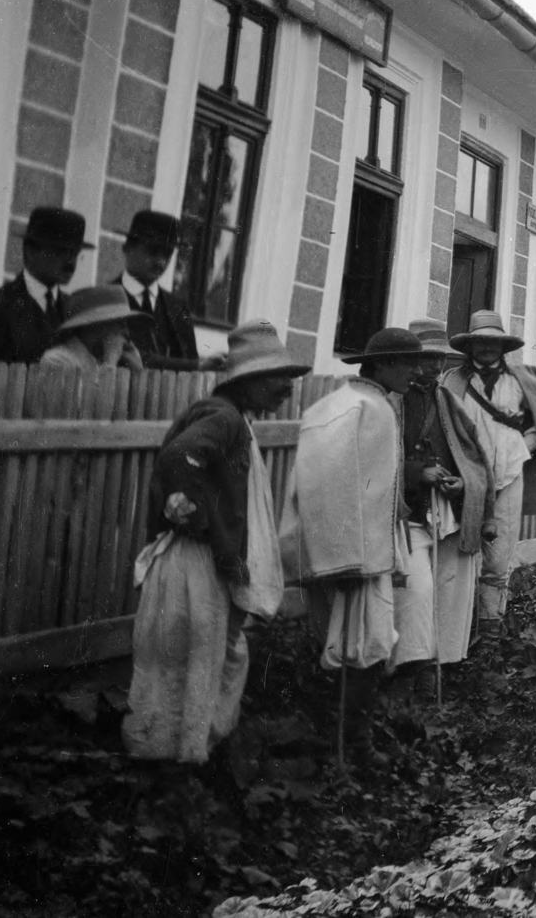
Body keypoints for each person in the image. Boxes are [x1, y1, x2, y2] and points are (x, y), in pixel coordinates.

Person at [122, 320, 309, 763]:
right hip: (194, 560)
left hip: (208, 560)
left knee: (211, 660)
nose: (286, 388)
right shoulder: (222, 417)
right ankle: (172, 765)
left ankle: (190, 756)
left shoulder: (234, 419)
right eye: (276, 378)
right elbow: (178, 459)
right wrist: (201, 523)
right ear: (248, 380)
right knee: (193, 663)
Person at [281, 327, 426, 743]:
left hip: (356, 552)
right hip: (354, 558)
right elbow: (327, 483)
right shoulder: (364, 407)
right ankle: (349, 748)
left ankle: (344, 742)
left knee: (357, 643)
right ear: (379, 364)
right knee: (366, 645)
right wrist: (346, 559)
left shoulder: (350, 403)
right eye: (405, 362)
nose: (413, 372)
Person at [441, 310, 536, 634]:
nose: (488, 348)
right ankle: (456, 632)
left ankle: (490, 632)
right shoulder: (453, 382)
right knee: (459, 553)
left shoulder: (522, 381)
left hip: (509, 478)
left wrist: (522, 448)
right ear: (471, 345)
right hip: (467, 480)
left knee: (498, 557)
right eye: (481, 341)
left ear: (502, 346)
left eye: (494, 342)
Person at [388, 319, 494, 700]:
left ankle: (434, 689)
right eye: (425, 358)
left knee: (446, 602)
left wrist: (462, 483)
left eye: (438, 359)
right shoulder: (391, 402)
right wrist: (419, 472)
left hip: (447, 517)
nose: (432, 367)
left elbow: (475, 458)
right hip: (406, 519)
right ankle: (406, 691)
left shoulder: (447, 401)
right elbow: (375, 463)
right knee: (415, 600)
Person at [0, 206, 90, 363]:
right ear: (30, 251)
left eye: (75, 253)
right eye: (61, 251)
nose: (71, 262)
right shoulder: (0, 306)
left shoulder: (74, 310)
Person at [113, 210, 206, 369]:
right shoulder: (108, 300)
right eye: (153, 251)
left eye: (167, 254)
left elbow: (191, 362)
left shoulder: (177, 307)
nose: (161, 262)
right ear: (127, 248)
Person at [38, 286, 148, 371]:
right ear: (94, 325)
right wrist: (110, 362)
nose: (125, 331)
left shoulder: (112, 358)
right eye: (119, 323)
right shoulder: (57, 360)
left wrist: (137, 370)